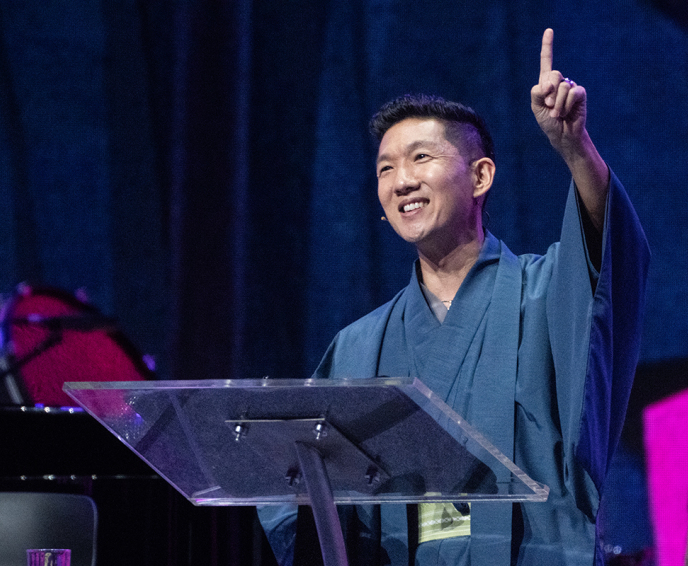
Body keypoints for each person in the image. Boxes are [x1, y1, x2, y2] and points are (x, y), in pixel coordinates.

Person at [260, 28, 649, 566]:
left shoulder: (543, 296)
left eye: (421, 158)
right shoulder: (357, 344)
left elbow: (611, 264)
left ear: (481, 176)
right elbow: (305, 483)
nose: (401, 181)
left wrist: (575, 149)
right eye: (386, 168)